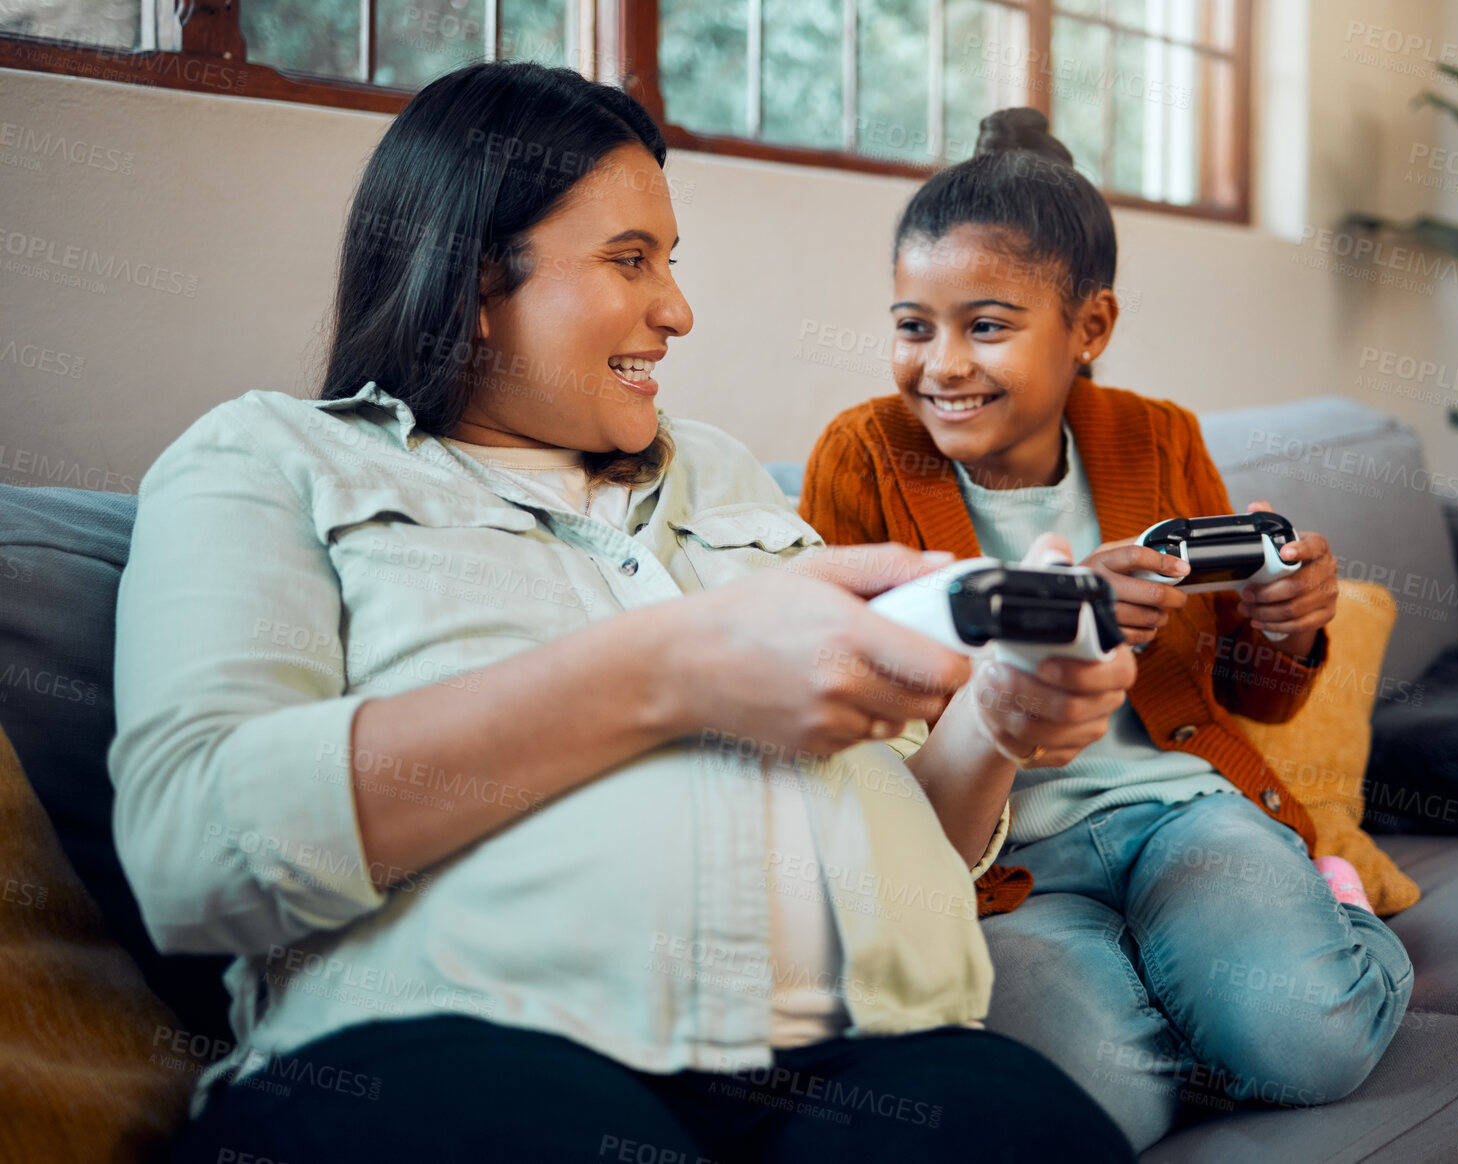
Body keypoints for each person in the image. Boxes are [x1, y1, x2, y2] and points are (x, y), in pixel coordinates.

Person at [109, 65, 1136, 1163]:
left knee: (1022, 1127)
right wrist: (663, 672)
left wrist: (995, 720)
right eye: (630, 260)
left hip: (862, 1061)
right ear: (471, 282)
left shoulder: (724, 477)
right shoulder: (274, 458)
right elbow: (189, 848)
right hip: (460, 1053)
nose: (678, 312)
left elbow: (908, 828)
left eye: (671, 263)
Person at [797, 107, 1414, 1153]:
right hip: (1004, 861)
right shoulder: (861, 459)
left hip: (1183, 812)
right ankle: (1189, 983)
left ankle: (1330, 916)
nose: (942, 365)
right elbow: (845, 712)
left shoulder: (1158, 438)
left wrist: (1284, 626)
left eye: (986, 326)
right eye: (914, 325)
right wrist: (1056, 614)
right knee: (1092, 1111)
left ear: (1090, 327)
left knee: (1308, 1043)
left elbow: (1246, 694)